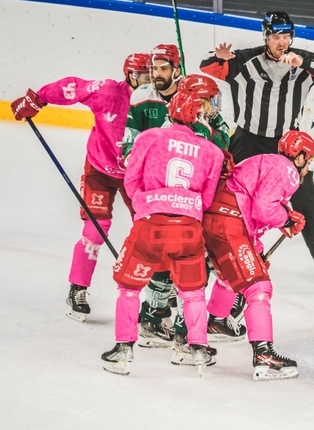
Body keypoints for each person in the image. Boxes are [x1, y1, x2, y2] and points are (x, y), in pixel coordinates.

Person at [199, 10, 314, 277]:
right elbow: (208, 67)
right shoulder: (245, 60)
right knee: (225, 189)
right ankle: (209, 248)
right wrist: (218, 59)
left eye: (286, 36)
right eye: (276, 36)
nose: (282, 42)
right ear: (266, 36)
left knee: (305, 195)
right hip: (247, 139)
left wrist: (303, 64)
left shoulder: (303, 60)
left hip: (287, 143)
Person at [10, 52, 152, 322]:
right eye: (145, 75)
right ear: (131, 76)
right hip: (99, 169)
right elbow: (72, 86)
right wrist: (38, 98)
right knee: (96, 230)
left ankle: (155, 299)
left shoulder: (156, 102)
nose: (150, 81)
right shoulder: (108, 92)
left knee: (151, 229)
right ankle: (78, 288)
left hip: (137, 175)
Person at [101, 90, 224, 376]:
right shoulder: (212, 152)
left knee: (129, 288)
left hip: (150, 225)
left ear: (170, 112)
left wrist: (149, 204)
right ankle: (198, 349)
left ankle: (122, 350)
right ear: (197, 118)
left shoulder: (149, 138)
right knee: (192, 293)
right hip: (189, 229)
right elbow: (206, 200)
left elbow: (131, 182)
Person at [125, 47, 235, 347]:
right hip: (188, 207)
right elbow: (223, 149)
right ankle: (185, 326)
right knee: (200, 264)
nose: (213, 107)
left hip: (156, 203)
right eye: (209, 102)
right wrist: (218, 123)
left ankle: (153, 313)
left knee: (160, 259)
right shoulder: (199, 130)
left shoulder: (169, 125)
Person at [201, 130, 314, 380]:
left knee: (232, 274)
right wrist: (285, 218)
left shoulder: (268, 161)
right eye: (309, 160)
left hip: (216, 220)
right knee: (258, 287)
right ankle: (263, 354)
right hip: (228, 224)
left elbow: (251, 203)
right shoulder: (287, 170)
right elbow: (264, 208)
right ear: (301, 157)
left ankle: (217, 321)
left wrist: (265, 240)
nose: (309, 166)